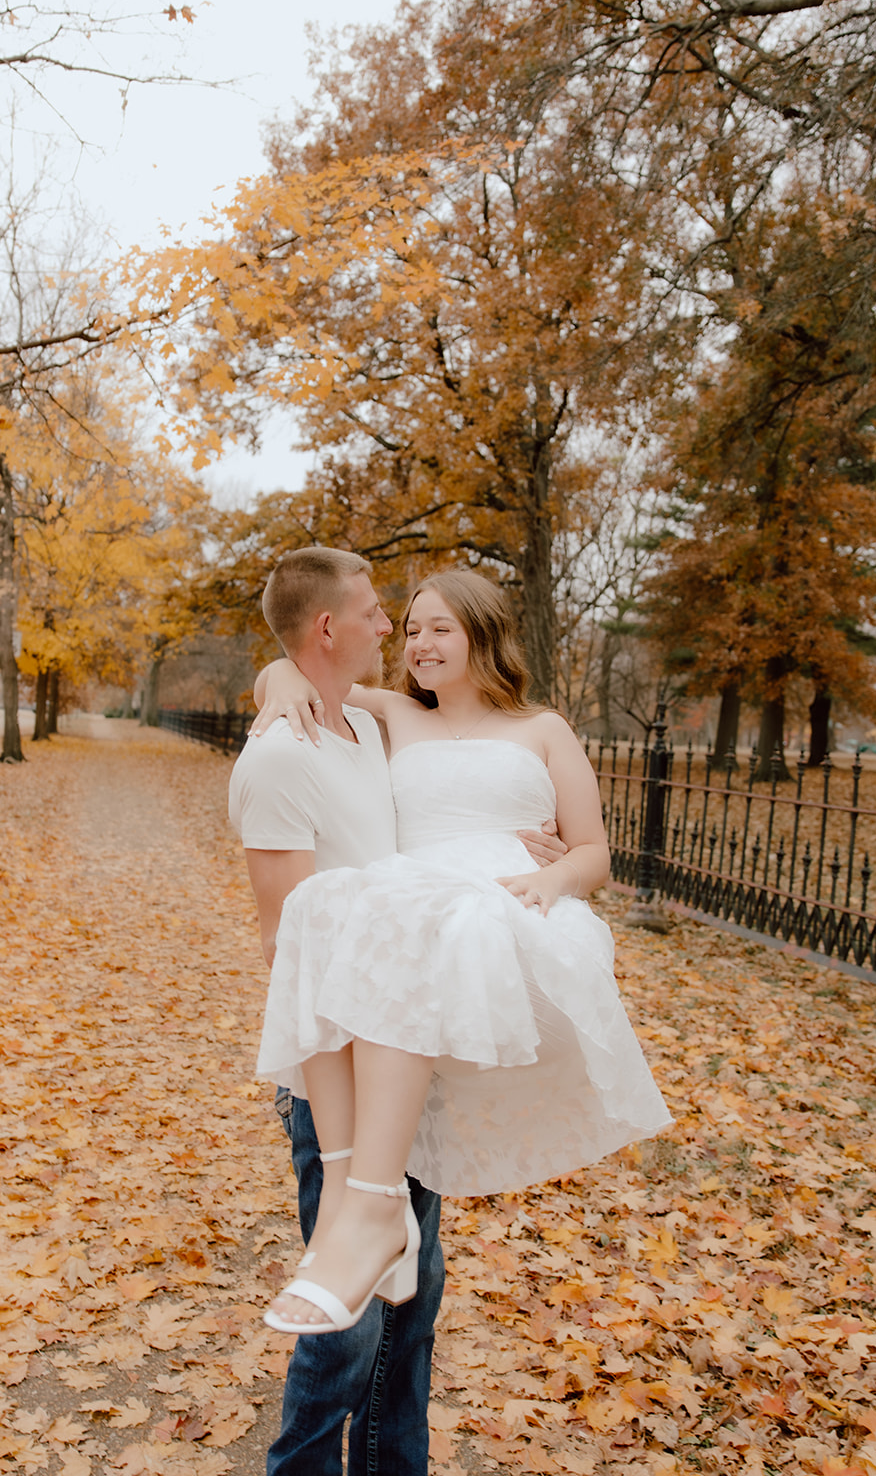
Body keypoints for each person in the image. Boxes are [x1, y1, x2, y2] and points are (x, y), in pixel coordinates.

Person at [252, 568, 671, 1337]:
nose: (417, 642)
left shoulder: (542, 728)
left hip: (503, 904)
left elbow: (593, 853)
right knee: (319, 908)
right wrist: (277, 677)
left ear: (481, 634)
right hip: (414, 905)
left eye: (439, 627)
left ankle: (372, 1212)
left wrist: (549, 879)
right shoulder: (389, 716)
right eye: (410, 629)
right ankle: (369, 1209)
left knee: (427, 919)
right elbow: (308, 661)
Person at [228, 547, 567, 1475]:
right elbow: (284, 942)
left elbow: (461, 802)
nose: (396, 631)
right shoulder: (282, 752)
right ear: (332, 629)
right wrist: (277, 682)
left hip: (415, 1050)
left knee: (412, 1307)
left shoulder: (367, 731)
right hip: (336, 1065)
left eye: (418, 622)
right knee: (344, 1313)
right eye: (384, 615)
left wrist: (522, 845)